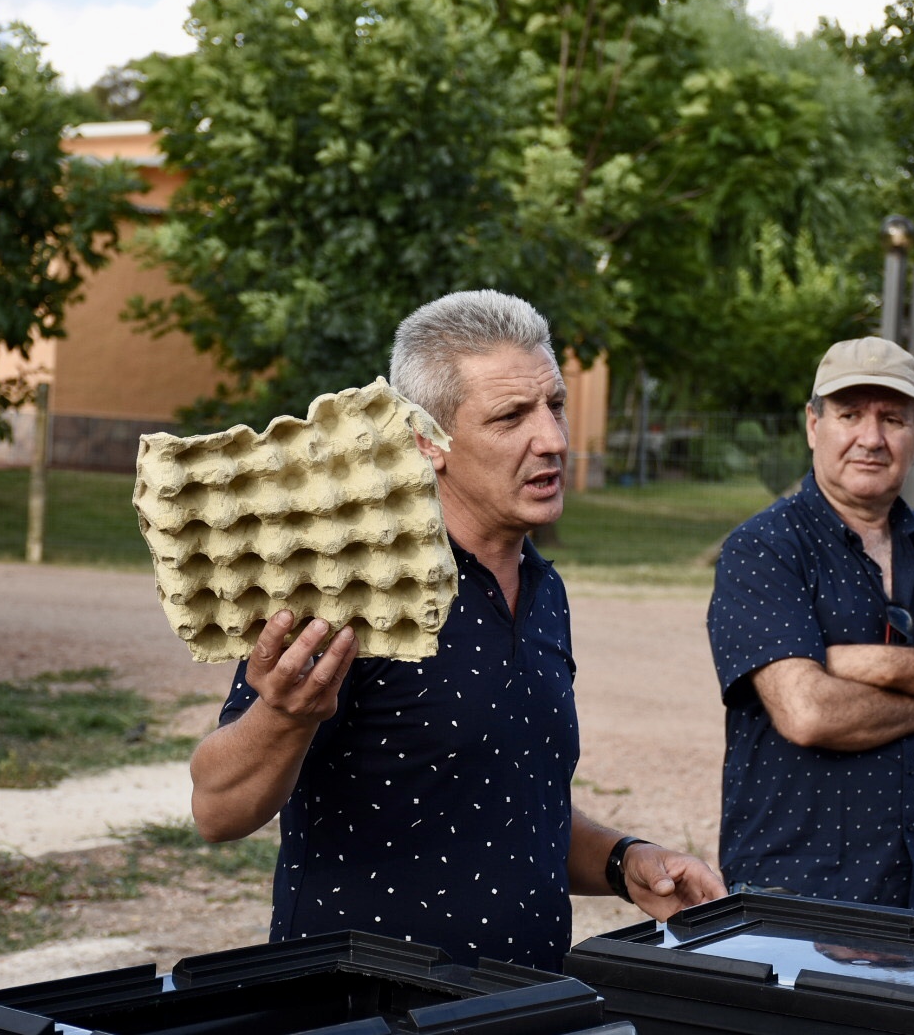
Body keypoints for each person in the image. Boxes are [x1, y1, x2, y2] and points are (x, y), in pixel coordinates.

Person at [190, 289, 725, 970]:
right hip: (367, 1014)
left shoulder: (544, 590)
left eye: (554, 405)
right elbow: (216, 808)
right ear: (426, 441)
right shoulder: (354, 586)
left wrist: (626, 861)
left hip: (520, 1009)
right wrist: (283, 717)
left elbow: (509, 811)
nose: (554, 440)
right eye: (511, 417)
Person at [707, 336, 914, 912]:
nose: (871, 438)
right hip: (794, 895)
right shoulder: (764, 548)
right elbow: (810, 713)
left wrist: (874, 663)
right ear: (813, 425)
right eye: (849, 415)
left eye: (892, 418)